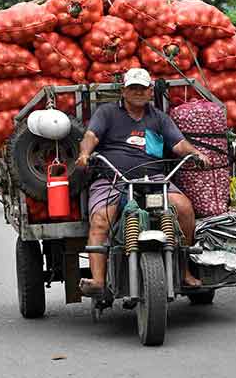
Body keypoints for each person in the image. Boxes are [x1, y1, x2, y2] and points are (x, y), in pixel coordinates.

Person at [76, 67, 210, 297]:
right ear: (123, 91)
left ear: (150, 91)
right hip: (113, 179)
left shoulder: (158, 117)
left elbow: (178, 144)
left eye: (142, 88)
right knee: (99, 220)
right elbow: (91, 136)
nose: (138, 92)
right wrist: (85, 154)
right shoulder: (107, 113)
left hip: (155, 180)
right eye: (133, 88)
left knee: (185, 209)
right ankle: (98, 280)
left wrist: (196, 154)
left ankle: (184, 270)